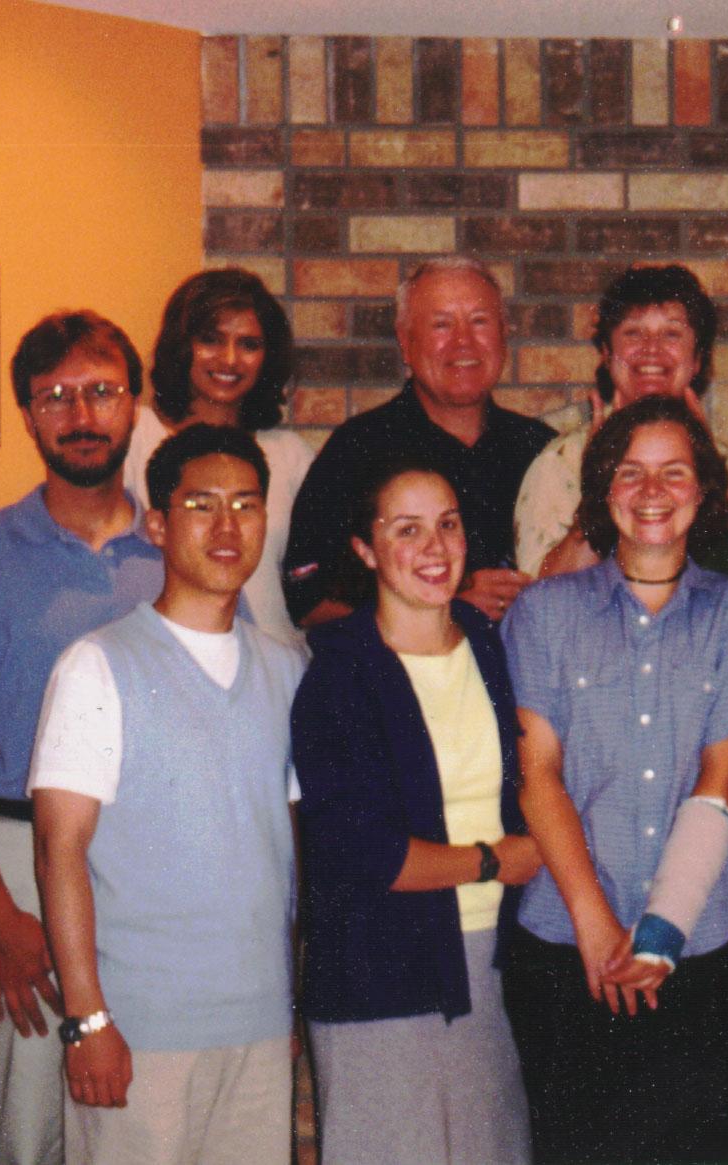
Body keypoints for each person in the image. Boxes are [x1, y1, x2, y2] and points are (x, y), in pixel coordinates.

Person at [0, 311, 164, 1165]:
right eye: (55, 397)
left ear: (134, 404)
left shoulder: (181, 548)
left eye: (101, 391)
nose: (81, 414)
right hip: (19, 862)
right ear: (28, 415)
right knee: (26, 1129)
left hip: (157, 863)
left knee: (148, 1122)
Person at [500, 395, 728, 1164]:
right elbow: (538, 775)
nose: (652, 491)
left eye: (674, 471)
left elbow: (723, 779)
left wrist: (660, 935)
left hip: (699, 947)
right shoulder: (543, 613)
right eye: (630, 472)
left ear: (704, 490)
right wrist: (596, 924)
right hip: (567, 944)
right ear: (603, 489)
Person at [29, 424, 304, 1162]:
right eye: (201, 505)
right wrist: (88, 1020)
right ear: (157, 525)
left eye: (246, 505)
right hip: (139, 1030)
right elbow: (59, 851)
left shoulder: (288, 670)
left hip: (257, 1025)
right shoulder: (97, 664)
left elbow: (288, 852)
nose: (227, 528)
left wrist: (289, 1008)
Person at [292, 460, 540, 1165]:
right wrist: (495, 861)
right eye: (407, 530)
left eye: (448, 524)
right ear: (365, 549)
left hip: (491, 964)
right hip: (383, 972)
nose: (435, 547)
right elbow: (365, 856)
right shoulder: (339, 674)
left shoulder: (488, 643)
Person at [283, 257, 554, 627]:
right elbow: (308, 601)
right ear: (405, 342)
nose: (463, 342)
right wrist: (442, 612)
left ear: (504, 335)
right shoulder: (356, 449)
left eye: (479, 321)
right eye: (441, 324)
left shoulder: (542, 450)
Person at [513, 263, 728, 583]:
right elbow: (537, 595)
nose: (651, 348)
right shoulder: (562, 461)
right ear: (606, 354)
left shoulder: (721, 459)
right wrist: (598, 491)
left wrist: (716, 482)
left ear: (697, 360)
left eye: (671, 333)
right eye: (633, 333)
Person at [124, 267, 314, 646]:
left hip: (274, 661)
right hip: (163, 655)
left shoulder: (290, 456)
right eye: (211, 339)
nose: (229, 360)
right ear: (182, 346)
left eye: (249, 344)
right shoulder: (135, 437)